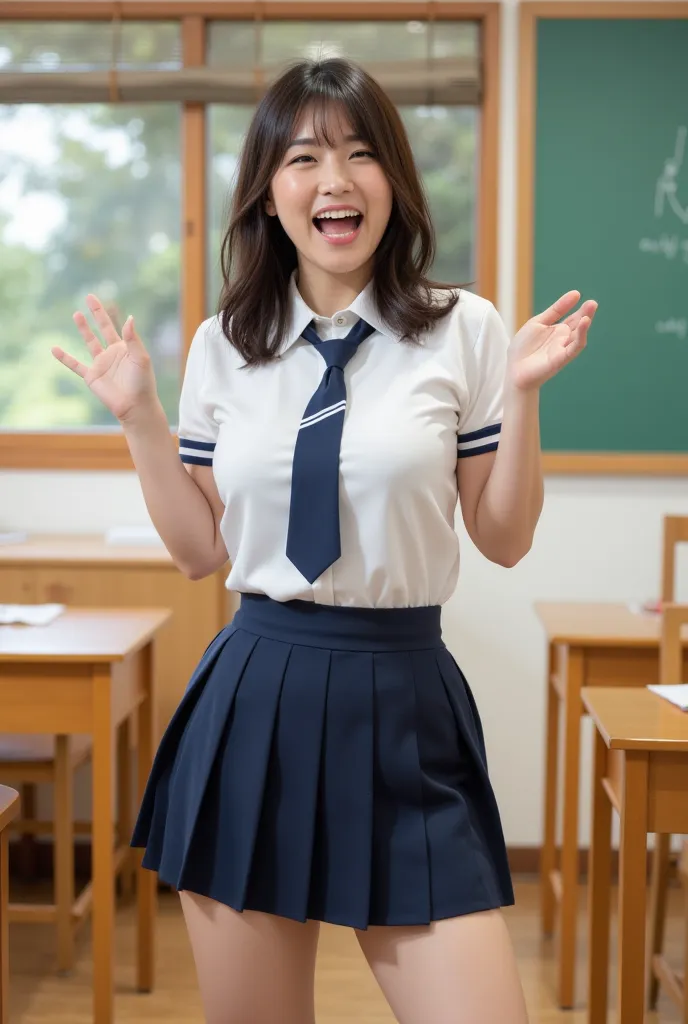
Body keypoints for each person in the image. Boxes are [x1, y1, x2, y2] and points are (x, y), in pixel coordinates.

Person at [52, 56, 596, 1024]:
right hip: (256, 696)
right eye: (303, 156)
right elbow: (196, 552)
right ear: (269, 192)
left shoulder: (463, 329)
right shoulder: (228, 340)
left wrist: (519, 396)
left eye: (358, 153)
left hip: (405, 702)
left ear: (394, 180)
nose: (334, 179)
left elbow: (503, 538)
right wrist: (139, 417)